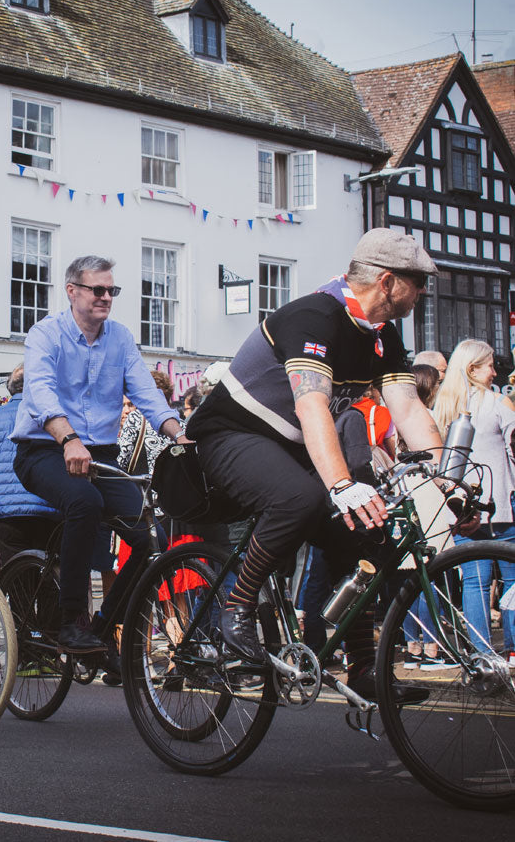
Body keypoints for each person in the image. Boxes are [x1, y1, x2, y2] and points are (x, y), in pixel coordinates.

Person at [188, 228, 444, 700]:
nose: (425, 290)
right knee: (301, 499)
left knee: (367, 529)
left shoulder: (383, 335)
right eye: (418, 280)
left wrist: (445, 480)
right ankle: (237, 606)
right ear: (387, 282)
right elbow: (312, 407)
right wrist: (343, 485)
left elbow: (407, 408)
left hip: (290, 446)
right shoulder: (314, 316)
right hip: (231, 434)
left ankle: (364, 668)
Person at [10, 255, 187, 658]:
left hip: (101, 454)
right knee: (84, 501)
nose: (106, 297)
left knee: (148, 537)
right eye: (98, 290)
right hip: (45, 449)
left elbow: (146, 393)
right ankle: (72, 620)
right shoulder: (45, 334)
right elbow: (39, 391)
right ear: (72, 291)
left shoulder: (120, 339)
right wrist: (68, 437)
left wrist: (180, 434)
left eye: (112, 290)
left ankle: (106, 625)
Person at [433, 339, 515, 659]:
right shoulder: (498, 404)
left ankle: (481, 654)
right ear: (473, 370)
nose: (495, 372)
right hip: (501, 505)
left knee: (474, 583)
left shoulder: (442, 407)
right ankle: (512, 649)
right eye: (490, 365)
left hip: (460, 508)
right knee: (512, 579)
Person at [0, 364, 59, 568]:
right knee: (47, 575)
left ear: (11, 389)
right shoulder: (53, 415)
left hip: (7, 512)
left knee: (16, 577)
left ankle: (19, 600)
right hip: (46, 508)